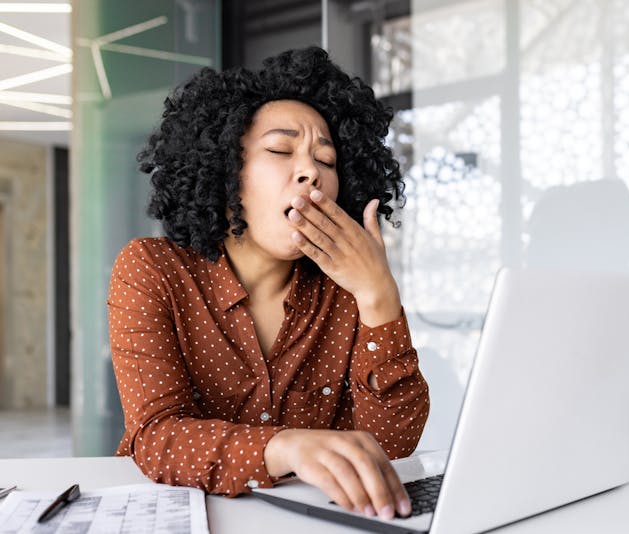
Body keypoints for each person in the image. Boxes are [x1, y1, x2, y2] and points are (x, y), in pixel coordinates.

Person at [108, 46, 429, 521]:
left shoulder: (348, 292)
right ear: (226, 174)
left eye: (327, 160)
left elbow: (391, 449)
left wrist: (379, 296)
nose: (311, 171)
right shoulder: (154, 270)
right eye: (280, 150)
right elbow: (157, 436)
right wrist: (286, 448)